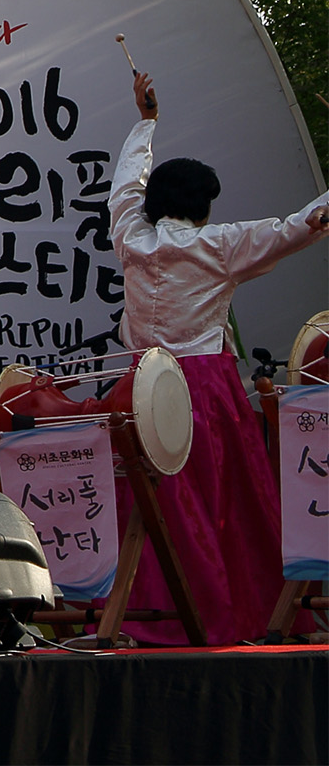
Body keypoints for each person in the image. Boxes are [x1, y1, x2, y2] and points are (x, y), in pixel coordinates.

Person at [110, 69, 329, 645]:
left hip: (140, 384)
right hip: (202, 388)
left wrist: (146, 122)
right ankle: (230, 611)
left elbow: (125, 186)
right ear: (202, 206)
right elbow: (301, 227)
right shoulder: (219, 244)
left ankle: (146, 613)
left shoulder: (130, 236)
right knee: (221, 495)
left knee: (150, 499)